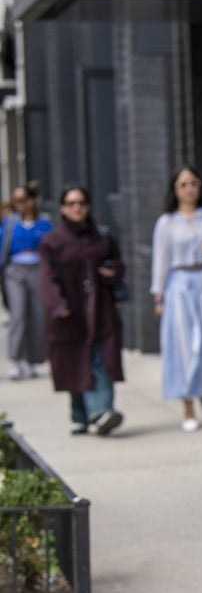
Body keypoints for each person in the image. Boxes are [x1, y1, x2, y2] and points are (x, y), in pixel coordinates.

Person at [150, 166, 202, 432]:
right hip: (180, 286)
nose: (189, 189)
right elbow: (160, 261)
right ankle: (188, 407)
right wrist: (159, 297)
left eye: (194, 183)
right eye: (184, 184)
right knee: (185, 348)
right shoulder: (166, 222)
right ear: (175, 189)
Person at [39, 186, 125, 435]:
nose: (77, 207)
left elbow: (119, 266)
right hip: (69, 312)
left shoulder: (103, 237)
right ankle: (80, 414)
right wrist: (57, 304)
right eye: (71, 202)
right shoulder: (52, 242)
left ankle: (102, 411)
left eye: (81, 202)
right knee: (74, 363)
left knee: (100, 359)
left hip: (100, 310)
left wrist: (113, 271)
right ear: (62, 208)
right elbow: (46, 276)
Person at [1, 181, 50, 380]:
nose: (19, 204)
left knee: (37, 315)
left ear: (31, 201)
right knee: (18, 314)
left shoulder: (44, 223)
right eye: (15, 201)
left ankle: (32, 361)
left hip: (37, 269)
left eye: (22, 200)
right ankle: (15, 360)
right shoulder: (11, 223)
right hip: (15, 271)